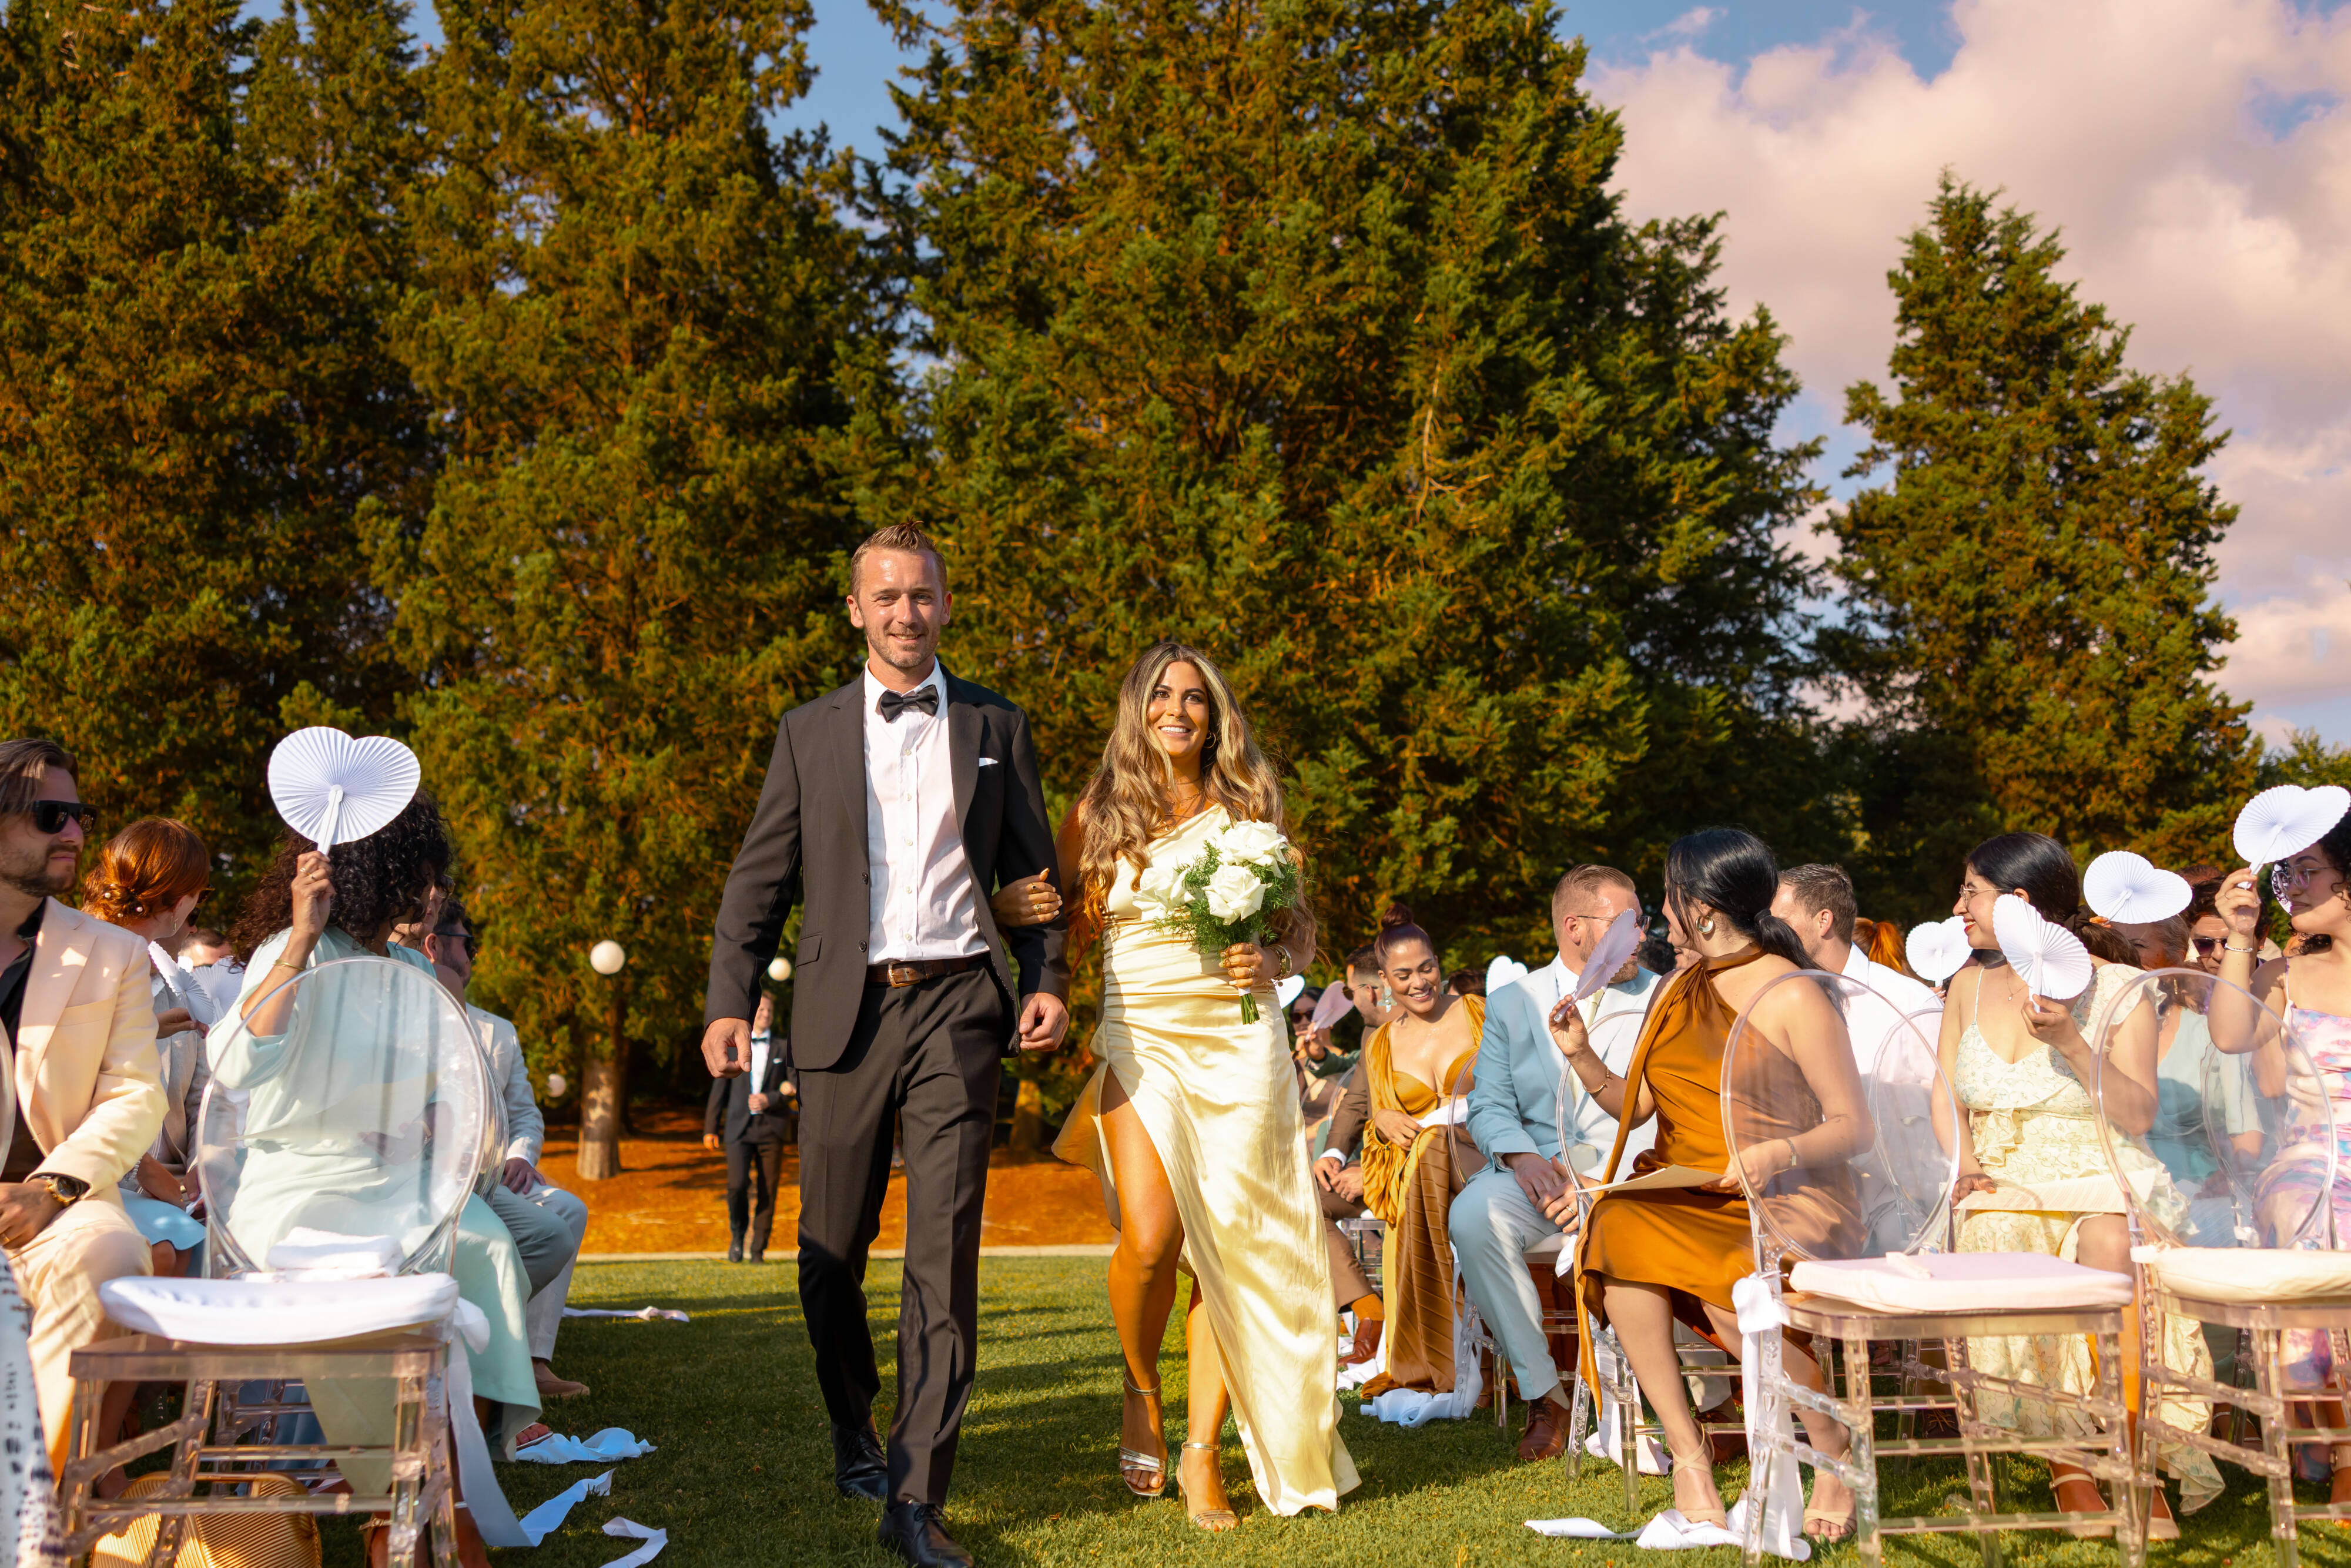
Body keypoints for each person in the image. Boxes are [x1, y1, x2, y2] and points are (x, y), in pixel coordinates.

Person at [701, 523, 1070, 1568]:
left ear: (946, 605)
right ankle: (852, 1420)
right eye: (889, 596)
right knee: (830, 1252)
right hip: (841, 1014)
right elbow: (759, 878)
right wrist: (730, 998)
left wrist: (1046, 979)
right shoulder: (807, 730)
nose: (907, 613)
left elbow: (1035, 875)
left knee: (942, 1256)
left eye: (923, 595)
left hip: (960, 1008)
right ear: (857, 609)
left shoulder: (997, 722)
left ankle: (916, 1493)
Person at [1048, 640, 1354, 1529]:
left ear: (1214, 717)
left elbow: (1298, 936)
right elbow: (1052, 923)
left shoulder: (1251, 810)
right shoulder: (1097, 812)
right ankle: (1140, 1385)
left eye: (1194, 698)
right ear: (1136, 708)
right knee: (1150, 1240)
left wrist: (1273, 959)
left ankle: (1201, 1452)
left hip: (1239, 1045)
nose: (1177, 710)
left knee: (1230, 1250)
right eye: (1161, 694)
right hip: (1139, 1041)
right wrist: (1014, 930)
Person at [1566, 827, 1869, 1540]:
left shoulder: (1791, 991)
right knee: (1616, 1225)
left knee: (1727, 1283)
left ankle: (1832, 1441)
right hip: (1685, 1188)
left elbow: (1853, 1127)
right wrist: (1581, 1056)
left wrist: (1774, 1154)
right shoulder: (1675, 987)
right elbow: (1638, 1105)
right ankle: (1689, 1455)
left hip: (1787, 1192)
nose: (1659, 913)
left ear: (1701, 908)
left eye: (1667, 898)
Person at [223, 800, 542, 1446]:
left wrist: (428, 1130)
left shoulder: (416, 969)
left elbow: (446, 1083)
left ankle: (464, 1444)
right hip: (298, 1179)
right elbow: (237, 1063)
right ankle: (369, 1450)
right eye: (428, 877)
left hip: (393, 1179)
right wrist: (301, 937)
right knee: (373, 1272)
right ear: (383, 874)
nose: (437, 893)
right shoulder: (294, 952)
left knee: (486, 1245)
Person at [1940, 830, 2217, 1529]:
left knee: (2112, 1246)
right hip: (2003, 1183)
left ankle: (2133, 1454)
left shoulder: (2119, 986)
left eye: (1970, 891)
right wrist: (1966, 1165)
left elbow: (2139, 1113)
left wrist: (2070, 1040)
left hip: (2104, 1171)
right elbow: (1945, 1097)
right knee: (2002, 1230)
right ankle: (2068, 1464)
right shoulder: (1967, 986)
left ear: (2018, 901)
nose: (1957, 906)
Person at [1455, 865, 1659, 1460]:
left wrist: (1602, 1183)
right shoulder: (1512, 1002)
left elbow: (1663, 1109)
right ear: (1575, 927)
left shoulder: (1662, 995)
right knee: (1472, 1215)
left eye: (1642, 921)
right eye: (1626, 924)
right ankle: (1546, 1395)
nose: (1641, 936)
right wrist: (1524, 1161)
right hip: (1538, 1174)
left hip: (1630, 1173)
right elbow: (1488, 1105)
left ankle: (1680, 1396)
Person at [0, 739, 165, 1474]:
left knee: (114, 1252)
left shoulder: (113, 952)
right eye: (50, 816)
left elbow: (136, 1092)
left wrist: (52, 1189)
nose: (73, 833)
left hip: (58, 1202)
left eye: (80, 816)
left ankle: (30, 1495)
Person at [2212, 799, 2351, 1497]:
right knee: (2316, 1217)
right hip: (2310, 1161)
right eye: (2284, 873)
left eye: (2307, 870)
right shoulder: (2285, 976)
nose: (2289, 886)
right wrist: (2242, 937)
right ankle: (2339, 1449)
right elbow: (2229, 1035)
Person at [418, 902, 594, 1404]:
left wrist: (521, 1155)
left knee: (568, 1209)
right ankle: (486, 1349)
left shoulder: (498, 1031)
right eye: (467, 943)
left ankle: (533, 1361)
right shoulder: (409, 1018)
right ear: (435, 944)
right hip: (431, 1179)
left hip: (496, 1175)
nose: (472, 955)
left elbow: (525, 1113)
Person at [1354, 906, 1486, 1402]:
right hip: (1419, 1180)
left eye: (1426, 968)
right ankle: (1445, 1356)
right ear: (1385, 982)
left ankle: (1446, 1360)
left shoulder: (1477, 1012)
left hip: (1485, 1156)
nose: (1419, 982)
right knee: (1427, 1149)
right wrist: (1382, 1121)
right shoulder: (1381, 1045)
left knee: (1433, 1145)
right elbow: (1378, 1128)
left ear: (1439, 963)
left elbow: (1522, 1088)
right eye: (1404, 975)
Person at [79, 818, 215, 1276]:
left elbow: (202, 1098)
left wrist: (201, 1169)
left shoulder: (176, 985)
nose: (196, 913)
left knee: (185, 1247)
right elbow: (70, 1083)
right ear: (178, 901)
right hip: (84, 1172)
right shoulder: (88, 960)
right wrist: (147, 1172)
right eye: (199, 895)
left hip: (165, 1184)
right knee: (163, 1252)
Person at [1771, 865, 1943, 1072]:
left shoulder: (1911, 1004)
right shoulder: (1773, 999)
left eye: (1779, 923)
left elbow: (1941, 1089)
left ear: (1823, 921)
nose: (1769, 933)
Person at [1309, 946, 1390, 1365]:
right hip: (1373, 1166)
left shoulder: (1439, 1026)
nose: (1352, 1000)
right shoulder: (1371, 1033)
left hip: (1427, 1167)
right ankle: (1369, 1311)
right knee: (1304, 1200)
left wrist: (1372, 1172)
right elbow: (1357, 1099)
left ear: (1370, 991)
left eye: (1350, 991)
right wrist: (1334, 1155)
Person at [704, 992, 794, 1263]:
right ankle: (737, 1236)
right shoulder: (732, 1047)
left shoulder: (783, 1047)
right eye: (761, 1010)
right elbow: (719, 1090)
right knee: (737, 1185)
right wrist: (711, 1128)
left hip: (772, 1128)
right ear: (752, 1012)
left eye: (769, 1011)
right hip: (738, 1128)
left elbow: (795, 1085)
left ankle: (758, 1250)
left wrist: (772, 1099)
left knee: (769, 1190)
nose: (765, 1014)